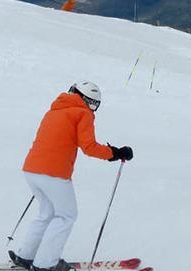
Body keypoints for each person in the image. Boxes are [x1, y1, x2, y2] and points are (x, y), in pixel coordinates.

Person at [9, 82, 134, 271]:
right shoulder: (82, 113)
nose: (92, 108)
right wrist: (115, 153)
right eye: (91, 103)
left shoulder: (54, 111)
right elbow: (89, 147)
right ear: (83, 98)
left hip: (32, 170)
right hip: (54, 173)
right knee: (66, 216)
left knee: (46, 213)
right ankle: (45, 264)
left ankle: (25, 256)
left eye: (95, 105)